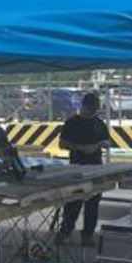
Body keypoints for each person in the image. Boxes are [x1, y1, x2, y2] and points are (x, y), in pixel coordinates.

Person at [57, 92, 111, 246]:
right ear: (82, 107)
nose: (91, 113)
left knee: (93, 204)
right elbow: (62, 143)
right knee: (73, 202)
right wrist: (80, 147)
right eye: (89, 110)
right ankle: (65, 231)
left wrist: (101, 144)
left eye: (94, 111)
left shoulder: (99, 123)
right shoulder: (72, 122)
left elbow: (107, 141)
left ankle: (87, 234)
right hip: (76, 167)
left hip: (95, 168)